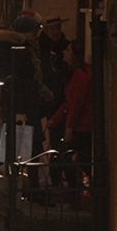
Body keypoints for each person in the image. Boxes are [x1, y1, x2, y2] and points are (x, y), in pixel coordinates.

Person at [0, 9, 52, 189]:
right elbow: (23, 80)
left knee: (19, 148)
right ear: (24, 34)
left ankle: (19, 188)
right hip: (21, 107)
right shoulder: (19, 50)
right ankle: (29, 190)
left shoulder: (14, 49)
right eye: (33, 34)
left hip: (20, 106)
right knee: (27, 149)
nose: (35, 37)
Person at [46, 38, 92, 186]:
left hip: (81, 127)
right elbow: (68, 103)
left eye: (69, 50)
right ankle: (74, 190)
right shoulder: (76, 74)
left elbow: (77, 103)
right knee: (71, 158)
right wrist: (55, 119)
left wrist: (69, 126)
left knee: (62, 156)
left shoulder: (81, 74)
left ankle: (74, 190)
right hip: (78, 126)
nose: (64, 52)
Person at [38, 14, 70, 184]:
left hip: (60, 100)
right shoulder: (38, 48)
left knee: (58, 141)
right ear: (46, 30)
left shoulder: (65, 47)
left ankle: (55, 179)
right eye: (53, 28)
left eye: (59, 28)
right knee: (38, 138)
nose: (57, 32)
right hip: (43, 99)